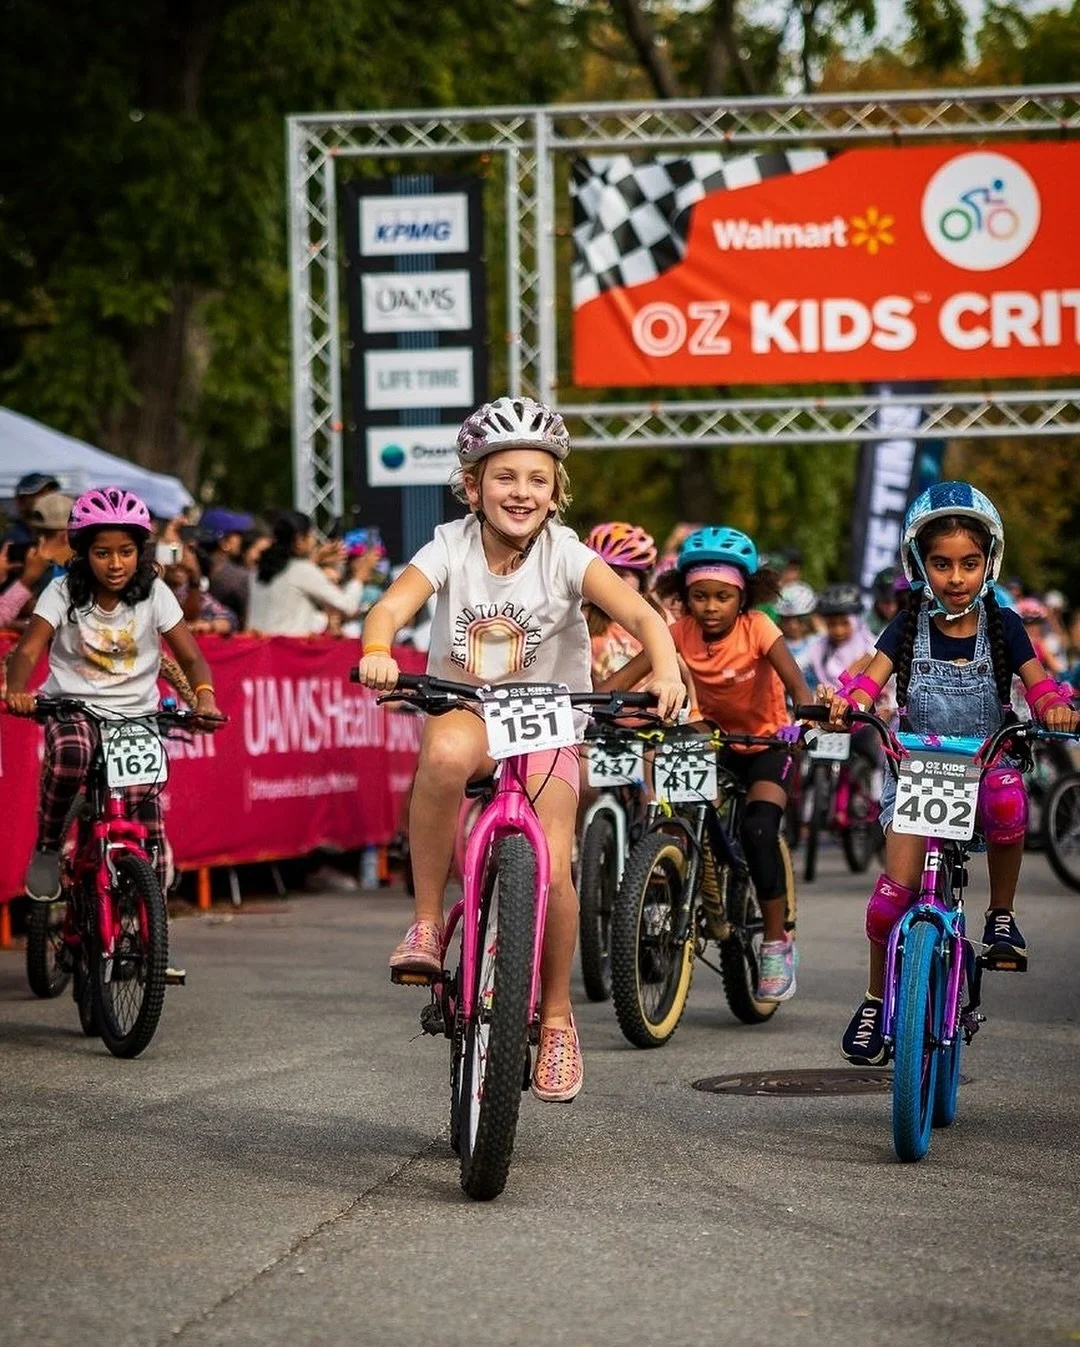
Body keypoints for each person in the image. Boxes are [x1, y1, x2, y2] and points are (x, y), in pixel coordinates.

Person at [356, 395, 684, 1103]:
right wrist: (378, 647)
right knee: (442, 757)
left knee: (556, 866)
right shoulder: (448, 546)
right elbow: (389, 606)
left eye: (538, 478)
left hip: (550, 717)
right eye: (504, 477)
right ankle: (422, 922)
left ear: (556, 491)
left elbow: (640, 614)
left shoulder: (568, 553)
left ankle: (559, 1016)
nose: (521, 492)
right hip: (468, 708)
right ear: (472, 485)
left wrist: (664, 667)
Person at [823, 482, 1079, 1065]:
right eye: (941, 564)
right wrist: (850, 702)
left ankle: (1002, 915)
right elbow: (869, 678)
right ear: (920, 564)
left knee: (1013, 798)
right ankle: (873, 999)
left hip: (988, 770)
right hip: (918, 775)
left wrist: (1052, 706)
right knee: (891, 899)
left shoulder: (1006, 626)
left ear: (990, 562)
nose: (956, 576)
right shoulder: (905, 626)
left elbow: (1038, 684)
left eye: (969, 562)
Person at [608, 526, 815, 1003]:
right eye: (699, 596)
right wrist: (604, 704)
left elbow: (797, 686)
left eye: (723, 596)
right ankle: (669, 887)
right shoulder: (677, 632)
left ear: (743, 596)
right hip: (712, 740)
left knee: (760, 830)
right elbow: (624, 679)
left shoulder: (760, 628)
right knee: (674, 812)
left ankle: (776, 940)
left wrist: (806, 715)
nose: (710, 606)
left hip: (768, 744)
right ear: (685, 595)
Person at [4, 487, 224, 901]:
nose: (116, 563)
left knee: (151, 834)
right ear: (83, 552)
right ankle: (49, 846)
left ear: (141, 550)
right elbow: (29, 648)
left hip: (136, 717)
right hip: (73, 709)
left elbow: (191, 657)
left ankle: (148, 936)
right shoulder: (62, 591)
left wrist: (205, 697)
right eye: (102, 553)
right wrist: (17, 690)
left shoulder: (155, 593)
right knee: (70, 755)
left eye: (126, 551)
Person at [247, 510, 359, 635]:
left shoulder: (259, 570)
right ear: (300, 540)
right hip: (289, 650)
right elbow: (349, 606)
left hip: (258, 650)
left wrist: (315, 560)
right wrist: (359, 577)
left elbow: (292, 577)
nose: (315, 541)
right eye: (312, 536)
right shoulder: (302, 570)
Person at [583, 521, 658, 681]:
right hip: (597, 704)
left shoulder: (658, 619)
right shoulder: (580, 618)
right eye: (606, 573)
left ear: (642, 581)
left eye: (622, 575)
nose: (613, 582)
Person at [198, 507, 255, 627]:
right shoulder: (240, 577)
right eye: (237, 534)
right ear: (224, 543)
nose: (240, 539)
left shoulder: (189, 572)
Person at [776, 580, 818, 678]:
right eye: (787, 619)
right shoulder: (776, 646)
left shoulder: (820, 643)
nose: (793, 625)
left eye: (800, 619)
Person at [867, 565, 902, 636]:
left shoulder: (913, 621)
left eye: (897, 602)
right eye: (885, 602)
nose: (892, 608)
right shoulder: (865, 624)